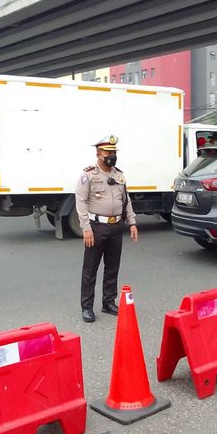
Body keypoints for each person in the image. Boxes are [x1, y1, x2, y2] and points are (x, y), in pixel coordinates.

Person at [75, 135, 138, 323]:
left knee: (112, 267)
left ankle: (108, 302)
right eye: (107, 152)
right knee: (90, 269)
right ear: (98, 154)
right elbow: (81, 202)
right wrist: (86, 228)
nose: (111, 155)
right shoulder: (89, 176)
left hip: (116, 226)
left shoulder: (119, 175)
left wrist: (132, 222)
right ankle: (87, 306)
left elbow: (126, 200)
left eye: (113, 152)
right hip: (96, 228)